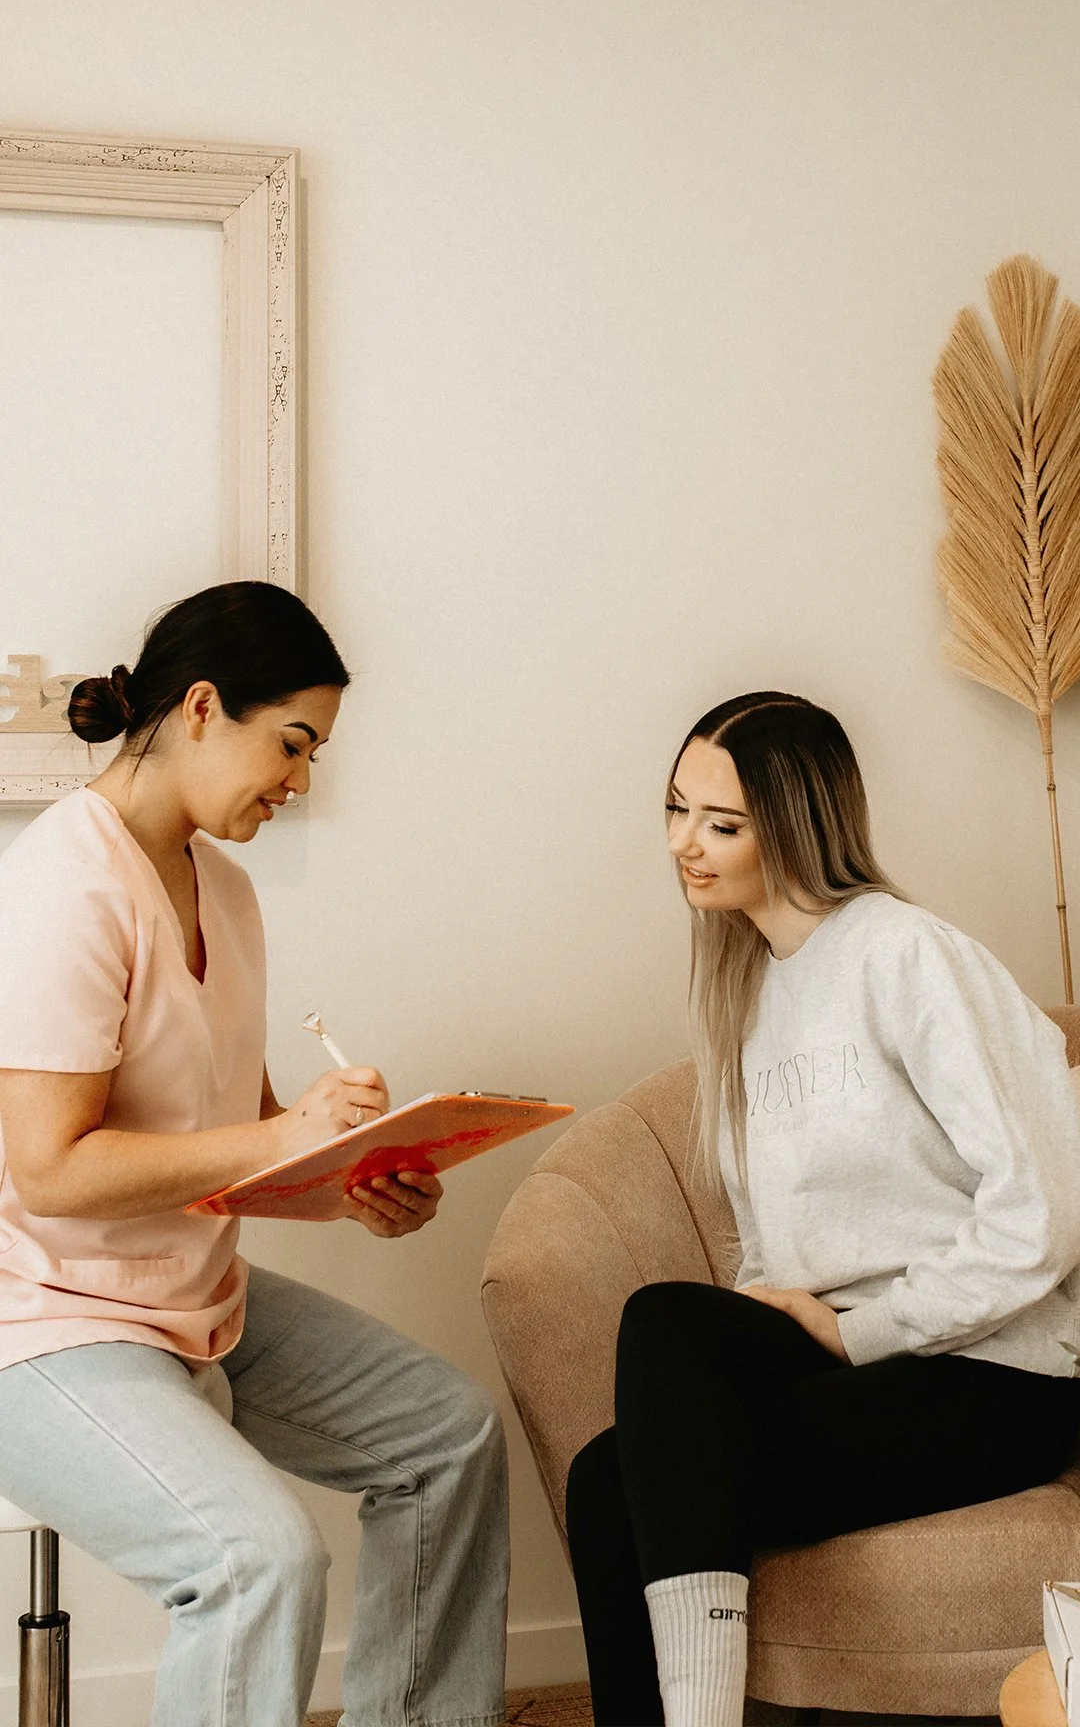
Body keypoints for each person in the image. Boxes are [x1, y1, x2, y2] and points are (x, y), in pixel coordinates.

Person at [0, 581, 508, 1727]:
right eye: (292, 743)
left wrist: (347, 1180)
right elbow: (50, 1173)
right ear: (200, 707)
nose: (302, 780)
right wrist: (286, 1134)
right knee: (258, 1561)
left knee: (446, 1436)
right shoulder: (60, 889)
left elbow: (228, 1143)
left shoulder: (222, 888)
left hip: (184, 1288)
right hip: (40, 1316)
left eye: (314, 752)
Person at [565, 690, 1080, 1727]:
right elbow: (772, 1241)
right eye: (676, 811)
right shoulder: (746, 990)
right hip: (859, 1357)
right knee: (605, 1470)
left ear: (796, 827)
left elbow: (1049, 1208)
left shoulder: (907, 956)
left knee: (636, 1463)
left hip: (999, 1374)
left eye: (722, 824)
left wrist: (861, 1333)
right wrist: (792, 1326)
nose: (685, 846)